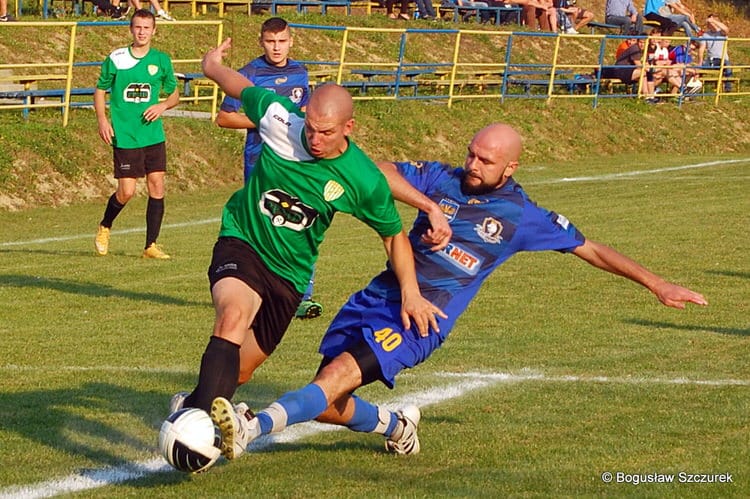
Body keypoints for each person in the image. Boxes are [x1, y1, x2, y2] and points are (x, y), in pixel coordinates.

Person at [209, 123, 708, 459]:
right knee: (327, 400)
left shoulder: (521, 218)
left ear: (509, 168)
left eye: (486, 161)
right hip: (377, 297)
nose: (473, 164)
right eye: (471, 152)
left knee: (337, 375)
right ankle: (394, 425)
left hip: (422, 318)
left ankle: (255, 426)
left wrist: (657, 283)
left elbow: (591, 249)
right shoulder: (439, 177)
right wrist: (428, 204)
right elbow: (375, 171)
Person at [171, 38, 447, 442]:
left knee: (241, 372)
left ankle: (191, 403)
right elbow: (240, 87)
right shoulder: (280, 119)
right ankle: (194, 432)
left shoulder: (363, 179)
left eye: (326, 133)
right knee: (232, 317)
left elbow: (393, 237)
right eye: (311, 127)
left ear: (348, 128)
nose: (314, 139)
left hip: (290, 277)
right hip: (243, 242)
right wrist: (211, 65)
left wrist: (410, 291)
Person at [215, 17, 317, 319]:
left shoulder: (300, 73)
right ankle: (255, 291)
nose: (276, 47)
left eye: (282, 41)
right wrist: (267, 122)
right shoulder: (249, 74)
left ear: (291, 41)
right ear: (262, 41)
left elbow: (304, 114)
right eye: (271, 41)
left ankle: (301, 295)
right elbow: (225, 118)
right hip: (260, 163)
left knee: (301, 223)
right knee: (264, 228)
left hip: (294, 164)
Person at [94, 9, 180, 259]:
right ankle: (105, 225)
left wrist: (163, 105)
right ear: (131, 29)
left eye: (146, 27)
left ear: (154, 30)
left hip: (153, 135)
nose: (142, 32)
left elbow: (174, 94)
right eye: (137, 27)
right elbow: (100, 90)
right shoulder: (117, 58)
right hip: (126, 134)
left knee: (157, 185)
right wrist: (102, 120)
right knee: (127, 191)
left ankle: (150, 245)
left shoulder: (161, 60)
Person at [697, 14, 733, 93]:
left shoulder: (721, 32)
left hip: (722, 59)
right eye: (709, 23)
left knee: (727, 65)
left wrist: (714, 21)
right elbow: (701, 49)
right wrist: (699, 62)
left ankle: (728, 88)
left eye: (713, 22)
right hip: (710, 60)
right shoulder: (705, 35)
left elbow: (726, 29)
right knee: (695, 68)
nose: (711, 24)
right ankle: (694, 87)